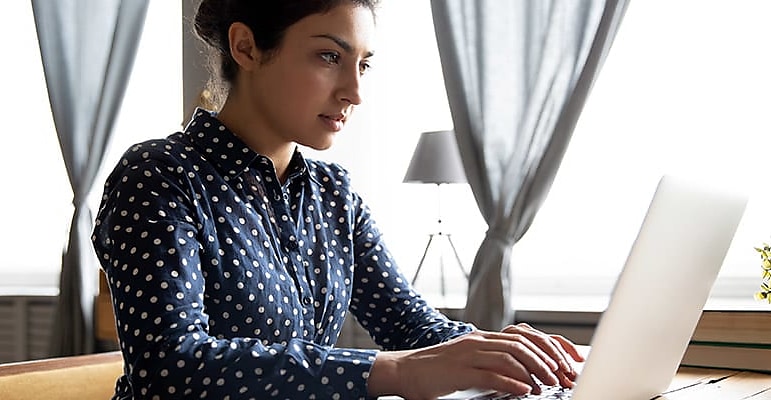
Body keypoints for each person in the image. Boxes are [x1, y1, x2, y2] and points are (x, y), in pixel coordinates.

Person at [91, 0, 584, 399]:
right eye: (330, 57)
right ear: (246, 47)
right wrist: (395, 372)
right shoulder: (158, 175)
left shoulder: (334, 193)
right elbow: (171, 369)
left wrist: (509, 355)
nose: (355, 91)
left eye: (363, 65)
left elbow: (407, 323)